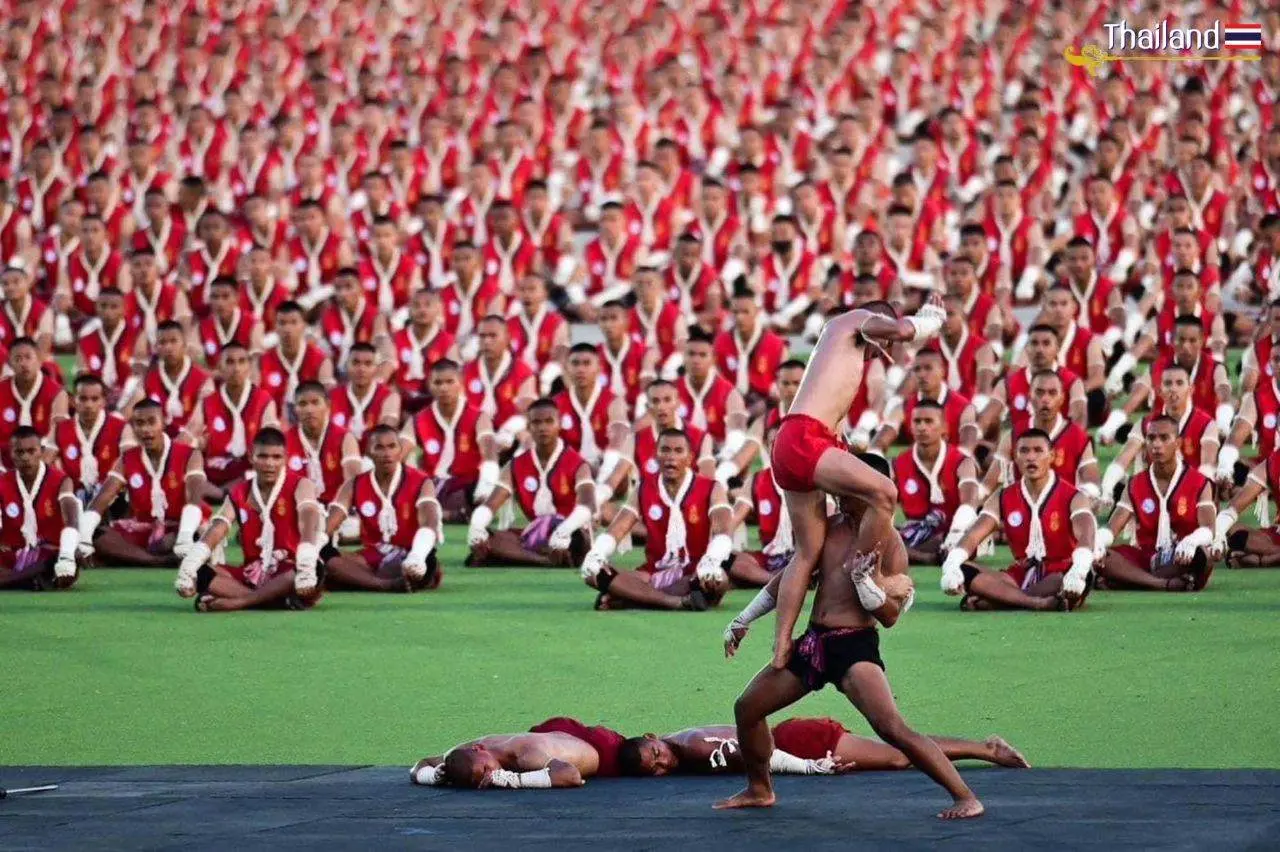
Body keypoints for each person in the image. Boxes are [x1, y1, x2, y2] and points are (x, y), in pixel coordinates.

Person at [716, 454, 983, 819]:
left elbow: (888, 617)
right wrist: (744, 619)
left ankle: (965, 795)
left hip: (854, 645)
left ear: (873, 489)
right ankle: (759, 789)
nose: (840, 491)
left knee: (892, 728)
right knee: (747, 708)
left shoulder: (890, 545)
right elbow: (793, 574)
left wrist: (866, 584)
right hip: (814, 642)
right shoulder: (827, 526)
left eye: (850, 484)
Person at [767, 298, 943, 676]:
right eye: (882, 341)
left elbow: (837, 433)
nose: (884, 350)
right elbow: (903, 331)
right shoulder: (856, 319)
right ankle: (862, 572)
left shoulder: (836, 354)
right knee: (885, 493)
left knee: (808, 552)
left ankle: (782, 643)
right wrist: (931, 320)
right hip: (804, 437)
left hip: (793, 442)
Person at [941, 430, 1098, 612]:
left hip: (1060, 572)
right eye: (1024, 451)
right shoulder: (1002, 496)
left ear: (1052, 456)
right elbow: (974, 534)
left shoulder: (1074, 496)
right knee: (964, 570)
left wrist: (1079, 569)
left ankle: (999, 600)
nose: (1031, 457)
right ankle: (1036, 603)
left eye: (1038, 450)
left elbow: (1087, 534)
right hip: (1020, 574)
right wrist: (951, 565)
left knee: (1083, 577)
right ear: (1015, 457)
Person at [579, 428, 735, 610]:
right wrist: (597, 553)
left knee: (719, 580)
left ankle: (630, 598)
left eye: (678, 451)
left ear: (690, 457)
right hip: (652, 572)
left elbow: (723, 532)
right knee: (594, 573)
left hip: (694, 571)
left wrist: (712, 561)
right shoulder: (644, 488)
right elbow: (617, 529)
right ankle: (673, 602)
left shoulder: (711, 488)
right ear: (656, 455)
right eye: (665, 450)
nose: (671, 457)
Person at [174, 427, 324, 612]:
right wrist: (190, 564)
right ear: (252, 456)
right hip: (252, 573)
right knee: (198, 571)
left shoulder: (301, 484)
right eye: (263, 456)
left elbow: (307, 519)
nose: (270, 463)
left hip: (289, 570)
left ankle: (240, 601)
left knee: (315, 568)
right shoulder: (240, 492)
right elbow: (217, 529)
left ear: (285, 458)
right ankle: (275, 602)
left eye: (276, 457)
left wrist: (307, 560)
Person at [619, 718, 1028, 776]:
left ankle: (986, 748)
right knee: (894, 753)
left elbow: (752, 751)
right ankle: (983, 748)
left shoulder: (690, 746)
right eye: (653, 768)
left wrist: (807, 766)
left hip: (799, 741)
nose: (662, 763)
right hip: (795, 738)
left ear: (654, 738)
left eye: (656, 753)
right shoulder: (681, 741)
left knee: (898, 755)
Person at [78, 400, 207, 568]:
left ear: (163, 423)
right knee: (97, 534)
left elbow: (195, 501)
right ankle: (157, 562)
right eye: (139, 424)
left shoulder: (190, 455)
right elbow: (102, 498)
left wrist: (184, 537)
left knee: (194, 538)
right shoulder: (127, 459)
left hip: (181, 529)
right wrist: (85, 538)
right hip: (143, 529)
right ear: (132, 427)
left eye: (152, 422)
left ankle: (137, 557)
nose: (146, 430)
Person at [467, 398, 594, 568]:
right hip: (537, 535)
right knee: (488, 538)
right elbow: (490, 505)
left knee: (575, 542)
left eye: (549, 421)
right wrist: (477, 527)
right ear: (528, 427)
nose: (543, 428)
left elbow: (587, 506)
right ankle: (545, 560)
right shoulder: (516, 465)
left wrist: (563, 532)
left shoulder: (578, 463)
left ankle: (525, 558)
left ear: (559, 424)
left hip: (571, 535)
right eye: (536, 422)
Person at [1094, 417, 1215, 592]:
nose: (1156, 445)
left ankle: (1128, 580)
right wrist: (1097, 542)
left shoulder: (1200, 482)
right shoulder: (1135, 484)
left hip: (1181, 556)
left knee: (1204, 555)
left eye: (1164, 438)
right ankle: (1161, 584)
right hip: (1146, 558)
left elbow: (1209, 529)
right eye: (1151, 438)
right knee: (1102, 557)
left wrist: (1192, 540)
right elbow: (1112, 528)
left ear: (1178, 443)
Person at [323, 426, 442, 592]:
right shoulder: (354, 484)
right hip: (372, 556)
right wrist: (310, 549)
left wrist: (417, 555)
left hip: (411, 555)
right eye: (379, 447)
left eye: (392, 446)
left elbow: (430, 522)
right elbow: (331, 522)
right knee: (326, 556)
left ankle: (360, 580)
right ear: (368, 452)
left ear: (400, 449)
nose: (387, 453)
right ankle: (387, 585)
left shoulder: (421, 481)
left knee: (425, 563)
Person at [1099, 364, 1219, 504]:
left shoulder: (1206, 424)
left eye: (1179, 383)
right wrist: (1107, 489)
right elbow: (1123, 459)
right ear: (1160, 390)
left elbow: (1207, 468)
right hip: (1153, 497)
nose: (1173, 389)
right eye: (1168, 384)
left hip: (1191, 497)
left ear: (1191, 389)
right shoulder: (1145, 423)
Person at [403, 358, 500, 522]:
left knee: (482, 491)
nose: (444, 388)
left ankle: (441, 513)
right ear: (429, 384)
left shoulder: (478, 416)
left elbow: (489, 451)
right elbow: (399, 450)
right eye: (438, 383)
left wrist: (488, 480)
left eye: (449, 382)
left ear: (461, 382)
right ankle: (452, 515)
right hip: (433, 484)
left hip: (468, 485)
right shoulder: (418, 420)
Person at [891, 400, 981, 565]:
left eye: (929, 421)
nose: (922, 427)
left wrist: (956, 532)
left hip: (955, 531)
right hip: (917, 532)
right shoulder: (898, 464)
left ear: (945, 427)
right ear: (910, 426)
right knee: (879, 537)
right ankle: (926, 557)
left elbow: (970, 502)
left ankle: (913, 555)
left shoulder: (962, 461)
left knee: (954, 538)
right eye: (917, 421)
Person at [183, 342, 279, 489]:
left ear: (249, 366)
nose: (236, 368)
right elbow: (189, 434)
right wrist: (196, 443)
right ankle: (220, 493)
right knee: (189, 468)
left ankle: (222, 494)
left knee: (261, 469)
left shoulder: (263, 400)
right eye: (230, 362)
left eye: (242, 361)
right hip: (215, 469)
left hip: (248, 468)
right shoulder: (208, 401)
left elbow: (272, 434)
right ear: (220, 368)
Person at [0, 427, 82, 591]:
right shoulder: (3, 482)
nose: (25, 457)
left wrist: (66, 556)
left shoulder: (61, 480)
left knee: (69, 557)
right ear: (11, 453)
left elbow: (71, 519)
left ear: (42, 451)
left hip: (49, 553)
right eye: (19, 452)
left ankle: (16, 580)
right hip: (14, 553)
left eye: (31, 451)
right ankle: (27, 581)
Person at [409, 730, 602, 790]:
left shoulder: (525, 753)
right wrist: (433, 776)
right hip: (553, 734)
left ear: (479, 749)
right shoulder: (461, 753)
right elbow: (420, 765)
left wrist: (515, 780)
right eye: (480, 779)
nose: (490, 775)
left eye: (486, 769)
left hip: (598, 747)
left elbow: (571, 776)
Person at [48, 374, 130, 501]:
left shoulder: (121, 426)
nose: (88, 405)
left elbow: (130, 460)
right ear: (73, 400)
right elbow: (45, 462)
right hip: (72, 498)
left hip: (112, 498)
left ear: (103, 401)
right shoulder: (60, 428)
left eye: (94, 399)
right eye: (83, 399)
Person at [126, 320, 214, 438]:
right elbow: (130, 409)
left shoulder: (203, 379)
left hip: (190, 440)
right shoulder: (148, 378)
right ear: (156, 348)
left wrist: (177, 447)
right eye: (162, 342)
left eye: (173, 341)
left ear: (184, 344)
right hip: (157, 440)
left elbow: (197, 422)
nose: (168, 347)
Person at [285, 382, 364, 506]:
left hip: (339, 509)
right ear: (295, 409)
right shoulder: (285, 440)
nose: (309, 410)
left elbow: (352, 482)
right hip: (299, 511)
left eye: (315, 402)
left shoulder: (345, 437)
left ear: (328, 405)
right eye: (302, 404)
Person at [0, 337, 69, 466]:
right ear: (10, 364)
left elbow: (57, 438)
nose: (23, 363)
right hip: (5, 462)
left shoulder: (57, 393)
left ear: (39, 360)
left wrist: (39, 471)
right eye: (18, 359)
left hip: (44, 462)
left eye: (28, 357)